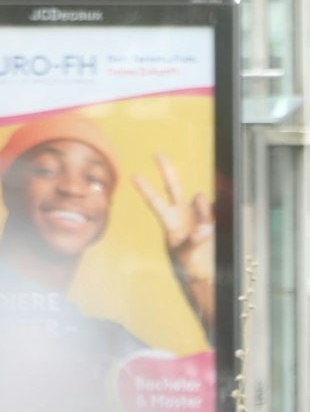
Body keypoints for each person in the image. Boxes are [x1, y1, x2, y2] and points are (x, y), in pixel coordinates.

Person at [0, 110, 217, 377]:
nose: (73, 188)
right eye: (46, 169)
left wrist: (198, 282)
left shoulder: (109, 348)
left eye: (94, 179)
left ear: (105, 212)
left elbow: (225, 389)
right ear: (8, 186)